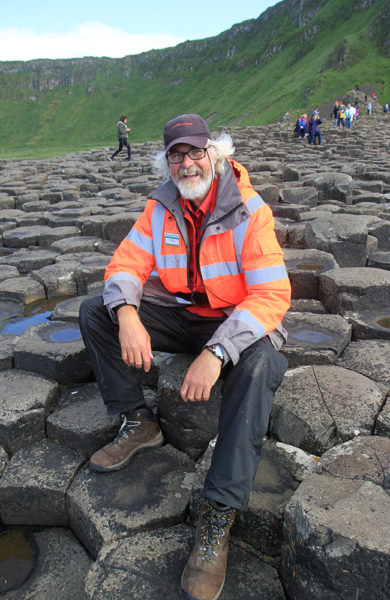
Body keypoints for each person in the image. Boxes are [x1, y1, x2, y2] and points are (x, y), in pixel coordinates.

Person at [79, 113, 291, 600]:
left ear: (213, 154)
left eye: (196, 152)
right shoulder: (160, 207)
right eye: (177, 155)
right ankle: (138, 421)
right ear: (167, 162)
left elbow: (270, 296)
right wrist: (129, 315)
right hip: (184, 312)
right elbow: (127, 263)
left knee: (259, 363)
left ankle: (217, 515)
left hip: (239, 321)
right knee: (97, 310)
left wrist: (218, 351)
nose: (187, 162)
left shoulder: (250, 211)